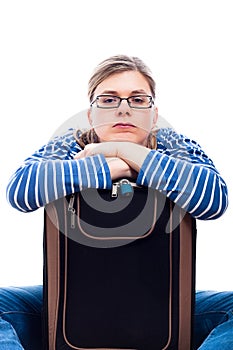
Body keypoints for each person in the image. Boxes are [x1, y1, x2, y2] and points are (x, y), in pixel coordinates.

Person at [2, 54, 232, 349]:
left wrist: (121, 149)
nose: (123, 110)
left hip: (166, 299)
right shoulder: (67, 146)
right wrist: (113, 167)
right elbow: (21, 191)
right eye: (109, 100)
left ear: (153, 114)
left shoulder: (175, 145)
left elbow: (213, 199)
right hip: (72, 299)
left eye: (137, 100)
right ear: (91, 115)